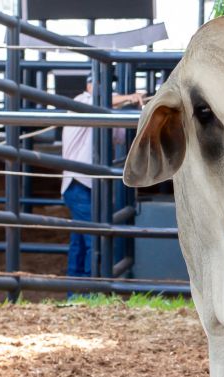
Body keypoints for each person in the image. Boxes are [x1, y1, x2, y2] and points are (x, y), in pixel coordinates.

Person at [60, 76, 144, 279]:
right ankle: (91, 289)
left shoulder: (105, 112)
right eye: (98, 83)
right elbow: (99, 102)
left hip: (87, 185)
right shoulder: (81, 101)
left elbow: (121, 137)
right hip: (79, 182)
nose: (106, 89)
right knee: (93, 239)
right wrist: (131, 98)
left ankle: (76, 289)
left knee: (81, 240)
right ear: (88, 85)